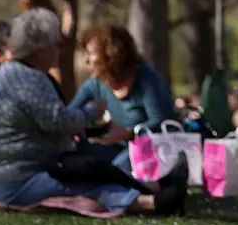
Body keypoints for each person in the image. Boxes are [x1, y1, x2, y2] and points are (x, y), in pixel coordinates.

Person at [0, 9, 186, 216]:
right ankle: (154, 203)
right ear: (40, 47)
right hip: (18, 180)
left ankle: (154, 188)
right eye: (58, 44)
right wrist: (91, 113)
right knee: (85, 188)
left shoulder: (11, 73)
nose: (61, 51)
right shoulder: (29, 78)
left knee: (89, 169)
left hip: (8, 177)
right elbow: (60, 121)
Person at [71, 24, 174, 167]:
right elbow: (69, 113)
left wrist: (128, 134)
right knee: (76, 154)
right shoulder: (96, 82)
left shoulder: (146, 79)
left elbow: (161, 123)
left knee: (120, 167)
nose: (87, 60)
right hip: (115, 148)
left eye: (91, 53)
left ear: (111, 55)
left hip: (150, 148)